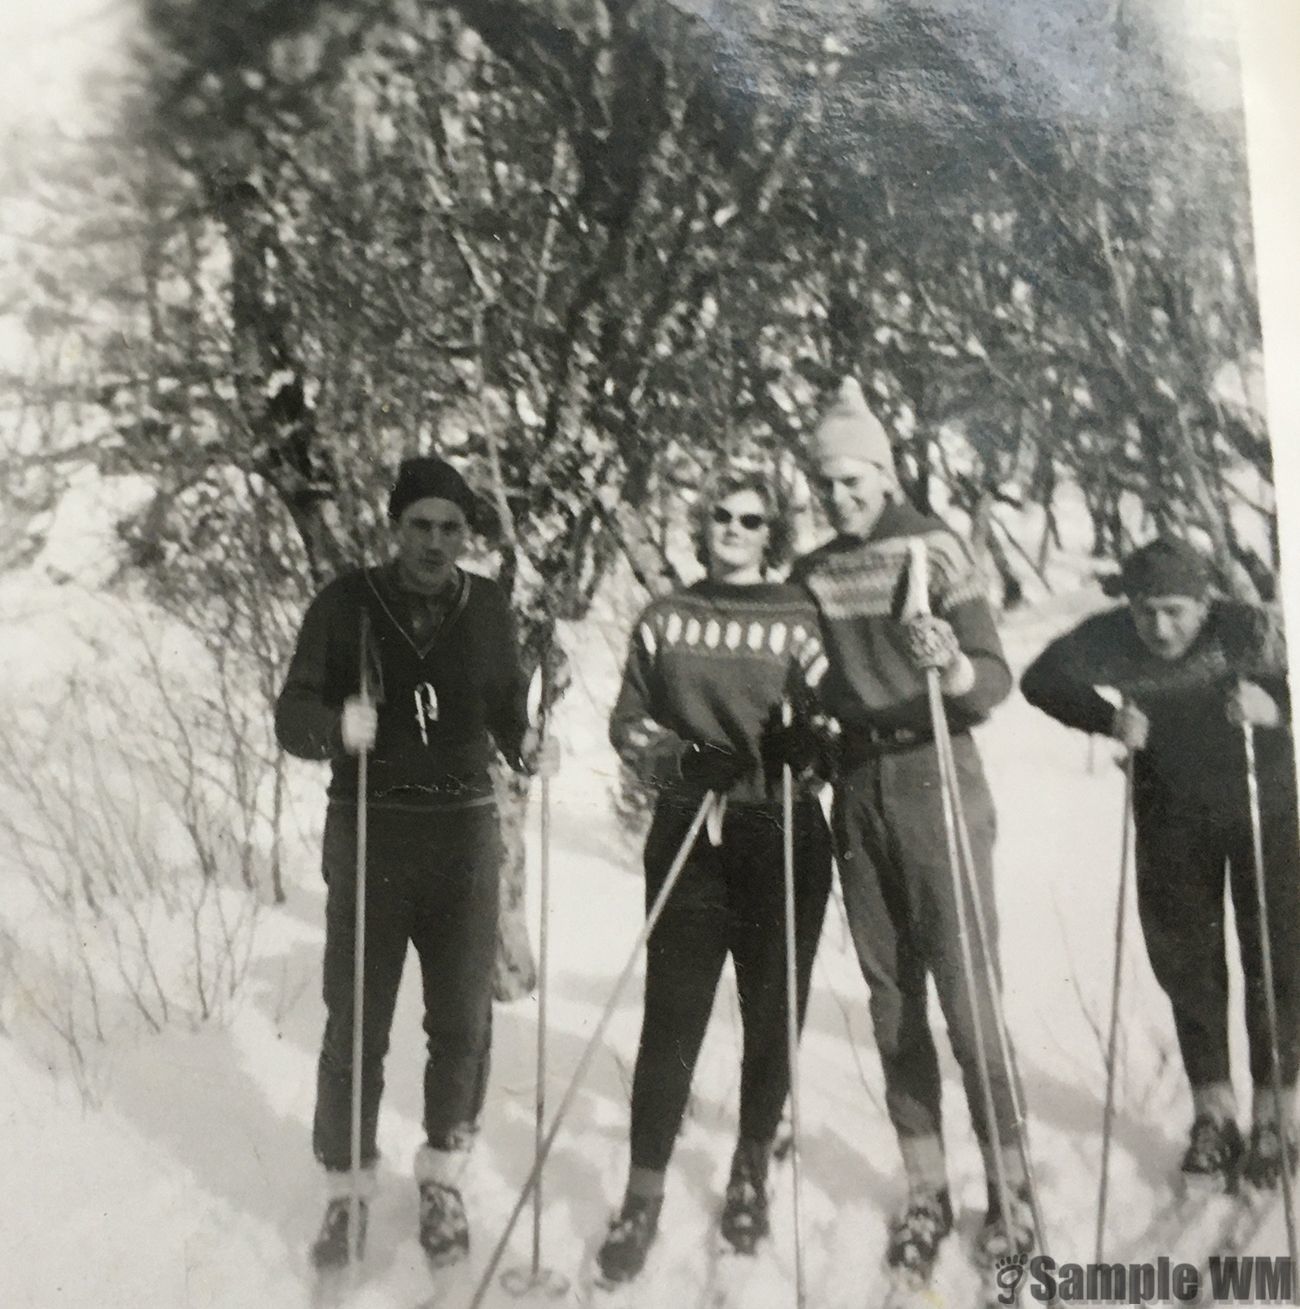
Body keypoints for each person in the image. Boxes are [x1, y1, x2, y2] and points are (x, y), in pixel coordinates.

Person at [275, 455, 552, 1272]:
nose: (435, 542)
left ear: (468, 535)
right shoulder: (346, 602)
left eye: (451, 528)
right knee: (355, 1018)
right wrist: (335, 726)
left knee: (462, 1019)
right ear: (394, 526)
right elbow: (291, 713)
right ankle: (348, 1189)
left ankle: (442, 1176)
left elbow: (506, 709)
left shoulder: (489, 606)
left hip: (464, 829)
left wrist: (529, 740)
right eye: (420, 525)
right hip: (371, 826)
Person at [790, 377, 1029, 1273]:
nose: (839, 497)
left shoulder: (935, 544)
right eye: (827, 485)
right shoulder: (812, 572)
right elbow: (797, 672)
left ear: (885, 474)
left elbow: (996, 678)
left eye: (854, 481)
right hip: (855, 781)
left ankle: (1011, 1189)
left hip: (936, 771)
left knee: (967, 991)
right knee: (893, 998)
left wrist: (956, 665)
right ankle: (926, 1186)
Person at [595, 468, 837, 1285]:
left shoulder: (799, 616)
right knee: (673, 1014)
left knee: (773, 1011)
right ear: (701, 526)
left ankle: (747, 1172)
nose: (733, 527)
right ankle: (643, 1192)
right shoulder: (666, 618)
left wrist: (813, 743)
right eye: (720, 516)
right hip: (692, 827)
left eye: (750, 519)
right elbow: (626, 724)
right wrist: (687, 756)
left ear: (772, 534)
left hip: (783, 826)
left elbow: (832, 712)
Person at [1021, 536, 1299, 1192]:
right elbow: (1041, 678)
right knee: (1186, 959)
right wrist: (1108, 718)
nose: (1159, 626)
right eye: (1146, 610)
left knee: (1275, 953)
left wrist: (1278, 708)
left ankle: (1277, 1111)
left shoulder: (1250, 629)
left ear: (1206, 602)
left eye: (1174, 609)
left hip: (1265, 805)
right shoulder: (1111, 636)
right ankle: (1213, 1113)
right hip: (1170, 810)